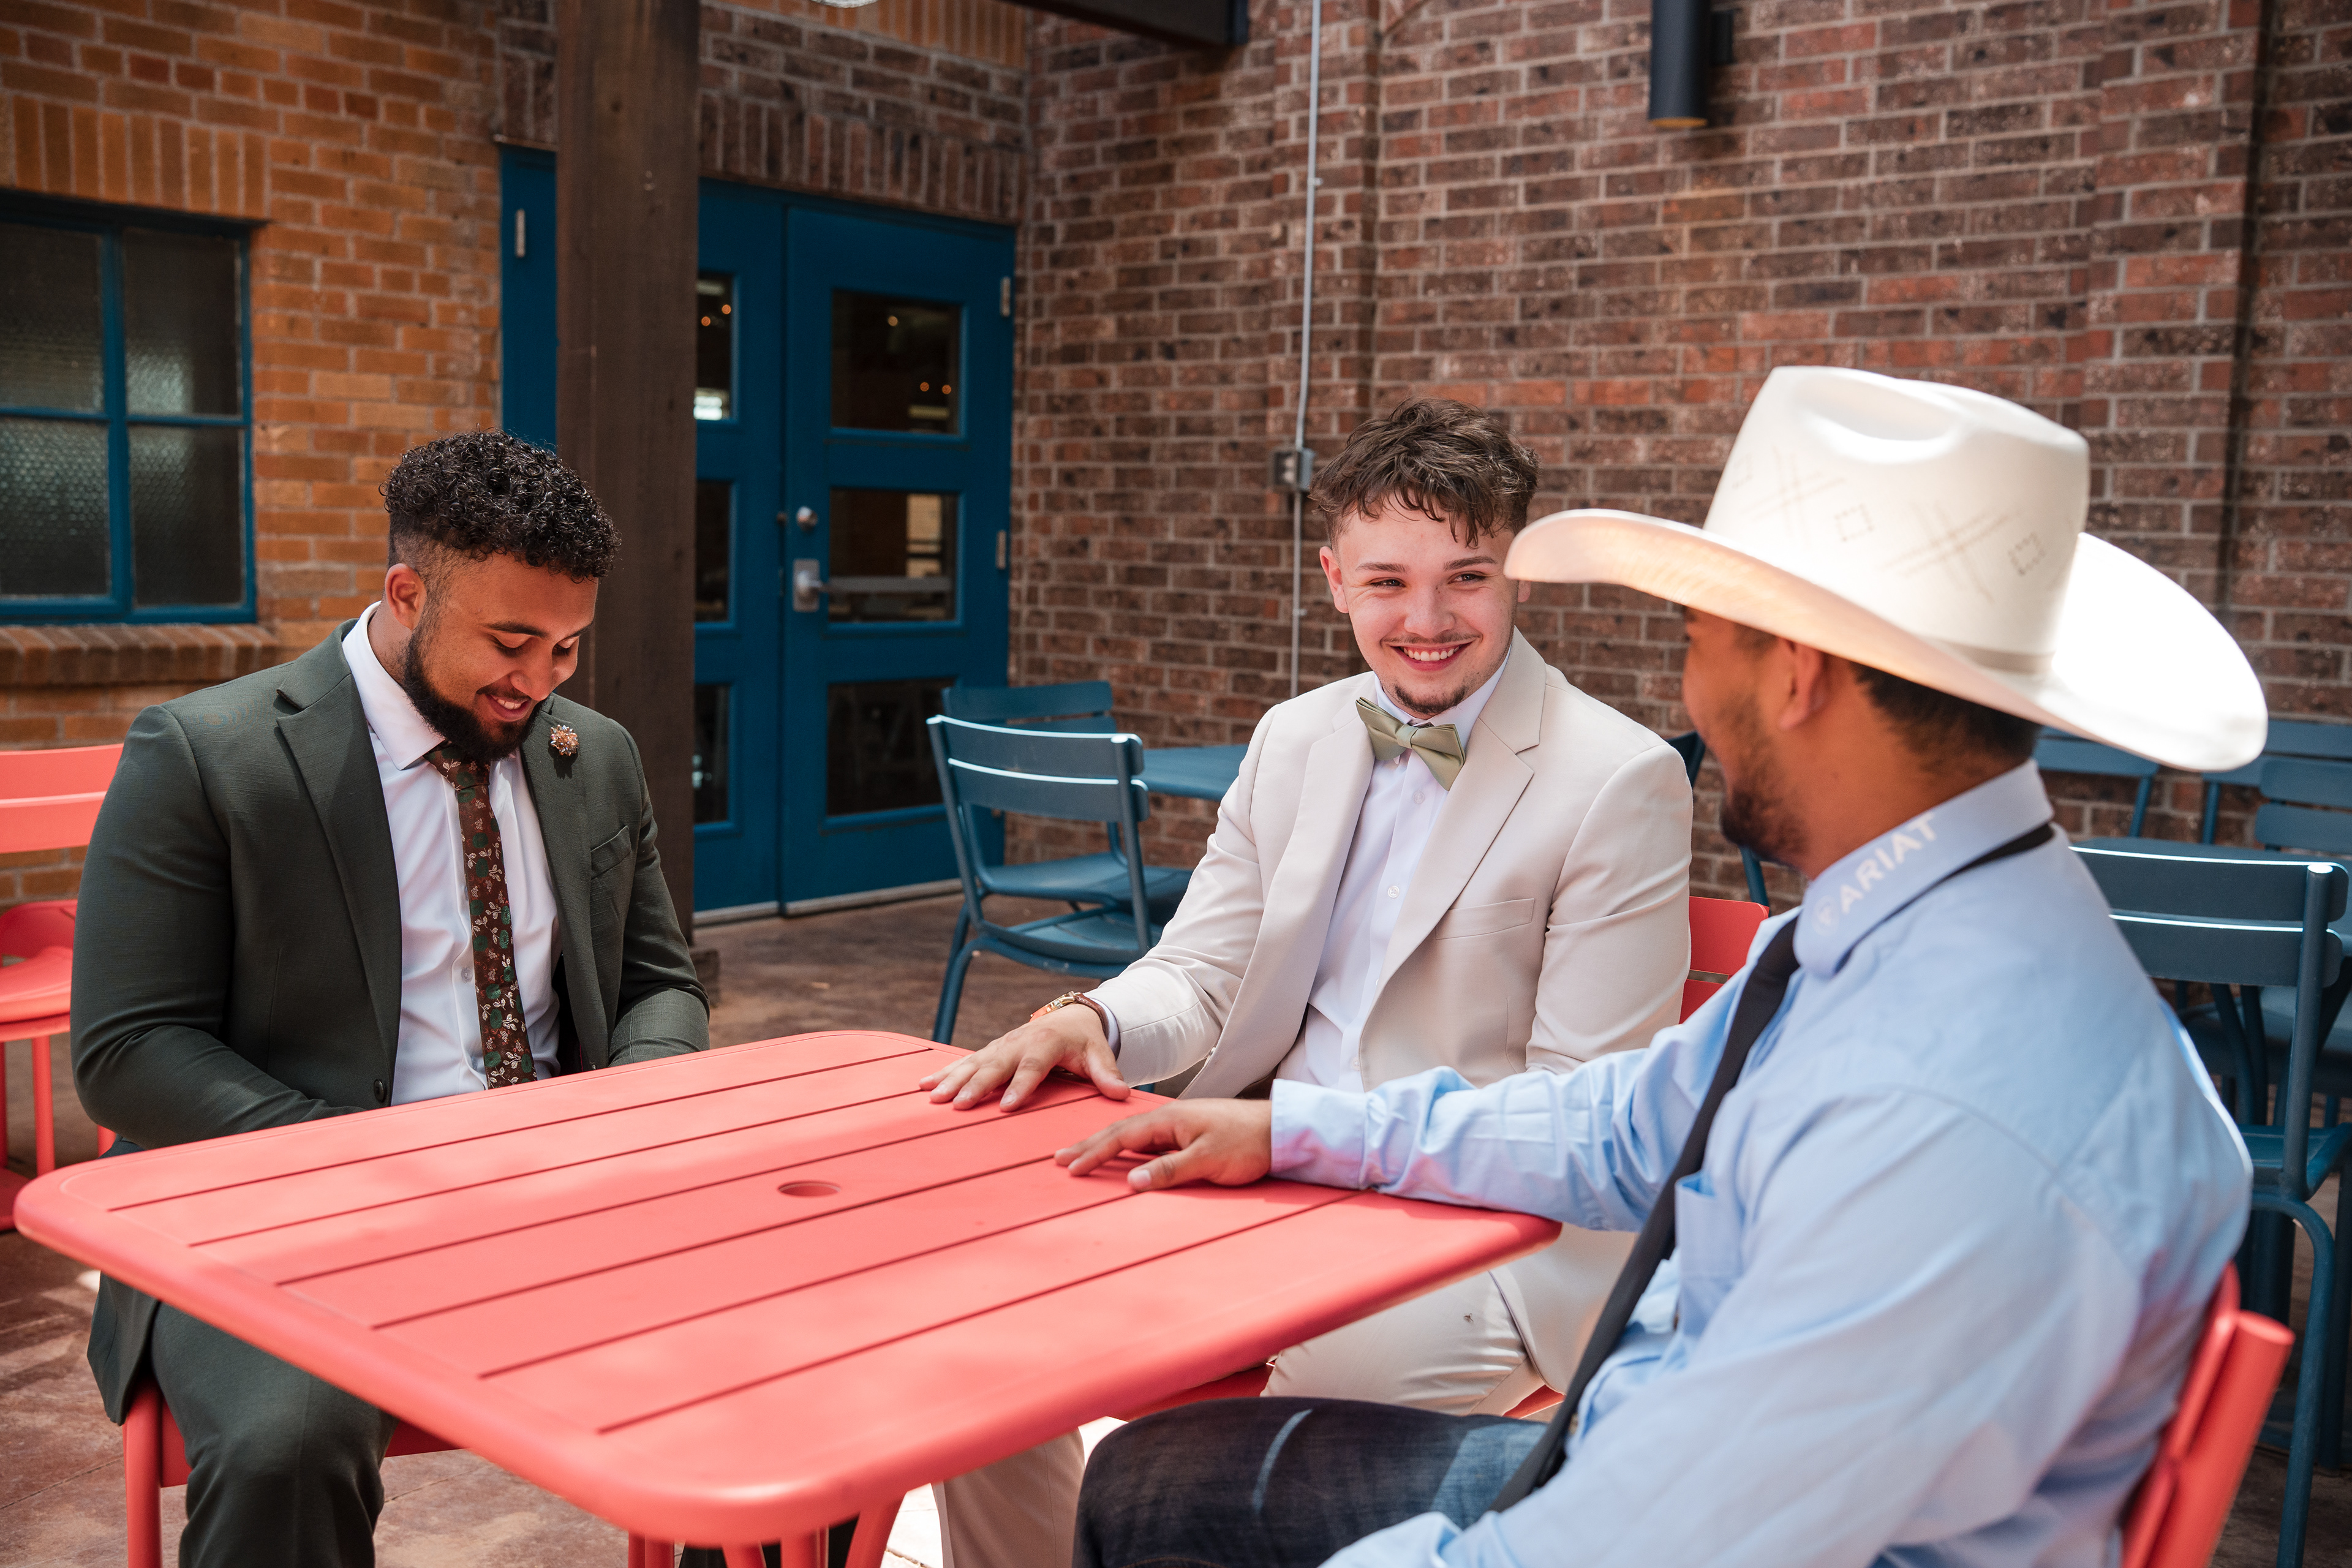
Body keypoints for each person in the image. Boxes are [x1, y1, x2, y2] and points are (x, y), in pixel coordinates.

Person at [1057, 366, 2264, 1567]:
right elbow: (1631, 1120)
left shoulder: (1940, 1106)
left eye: (1696, 637)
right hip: (1659, 1438)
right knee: (1137, 1481)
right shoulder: (1919, 921)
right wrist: (1302, 1131)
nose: (1688, 690)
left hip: (1680, 1505)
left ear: (1794, 673)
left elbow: (1652, 1540)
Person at [919, 397, 1695, 1566]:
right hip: (1260, 1177)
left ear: (1519, 577)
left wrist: (1307, 1140)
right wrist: (1094, 1017)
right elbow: (1205, 968)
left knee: (1245, 1472)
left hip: (1483, 1233)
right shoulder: (1293, 737)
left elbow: (1579, 1107)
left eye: (1467, 578)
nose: (1426, 622)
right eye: (1387, 583)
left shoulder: (1619, 778)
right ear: (1335, 580)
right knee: (972, 1343)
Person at [73, 429, 710, 1568]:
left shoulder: (595, 754)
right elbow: (130, 1050)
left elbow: (659, 985)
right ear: (407, 594)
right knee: (285, 1446)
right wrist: (372, 1164)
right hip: (285, 1210)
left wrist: (624, 1118)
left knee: (822, 1359)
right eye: (510, 643)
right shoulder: (209, 753)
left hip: (565, 1198)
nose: (540, 683)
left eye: (567, 648)